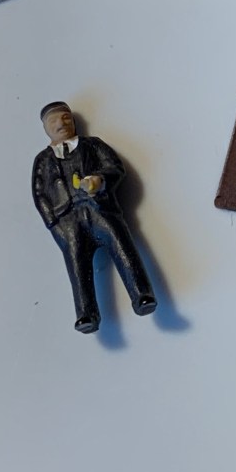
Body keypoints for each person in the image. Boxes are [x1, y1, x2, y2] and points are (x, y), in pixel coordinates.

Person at [32, 101, 157, 333]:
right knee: (77, 265)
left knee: (122, 246)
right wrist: (54, 225)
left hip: (99, 208)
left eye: (65, 118)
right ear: (46, 128)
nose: (61, 124)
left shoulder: (92, 145)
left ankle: (142, 294)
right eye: (53, 121)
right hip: (67, 220)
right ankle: (86, 313)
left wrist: (99, 181)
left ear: (73, 120)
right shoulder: (43, 160)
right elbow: (40, 195)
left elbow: (115, 167)